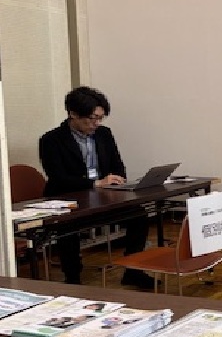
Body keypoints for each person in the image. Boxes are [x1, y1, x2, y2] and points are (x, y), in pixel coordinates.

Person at [39, 86, 155, 288]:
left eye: (101, 118)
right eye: (92, 118)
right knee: (68, 226)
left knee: (139, 215)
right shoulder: (51, 140)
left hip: (102, 197)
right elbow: (58, 178)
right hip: (68, 200)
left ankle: (133, 270)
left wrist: (116, 180)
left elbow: (118, 166)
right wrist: (95, 183)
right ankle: (73, 278)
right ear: (73, 114)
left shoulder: (104, 134)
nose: (97, 123)